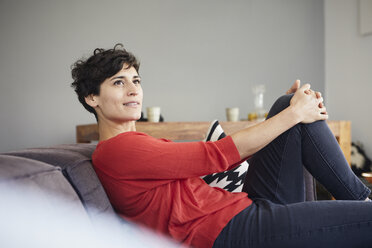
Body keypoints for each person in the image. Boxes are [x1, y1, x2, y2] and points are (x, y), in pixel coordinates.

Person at [71, 44, 372, 248]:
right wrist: (295, 114)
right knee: (289, 112)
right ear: (92, 98)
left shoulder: (136, 144)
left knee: (283, 106)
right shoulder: (117, 150)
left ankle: (362, 199)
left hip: (245, 210)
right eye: (119, 82)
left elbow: (223, 161)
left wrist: (286, 119)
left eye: (135, 80)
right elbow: (215, 155)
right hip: (232, 232)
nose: (133, 88)